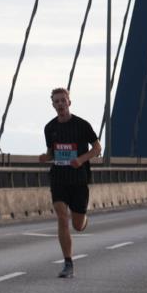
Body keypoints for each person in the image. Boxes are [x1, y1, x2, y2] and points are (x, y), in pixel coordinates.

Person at [38, 87, 101, 278]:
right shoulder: (50, 128)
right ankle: (68, 263)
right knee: (61, 217)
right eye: (56, 102)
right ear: (53, 105)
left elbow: (97, 148)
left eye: (63, 101)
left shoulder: (82, 125)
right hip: (59, 178)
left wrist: (81, 160)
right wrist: (45, 157)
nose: (60, 104)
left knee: (77, 224)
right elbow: (52, 152)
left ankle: (83, 220)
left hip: (79, 179)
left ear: (69, 102)